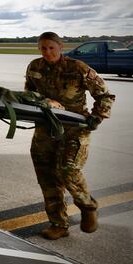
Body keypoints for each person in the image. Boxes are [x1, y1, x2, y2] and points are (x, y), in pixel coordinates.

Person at [25, 32, 115, 240]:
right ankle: (58, 224)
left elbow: (105, 95)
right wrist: (41, 100)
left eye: (51, 48)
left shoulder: (78, 68)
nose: (47, 52)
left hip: (75, 127)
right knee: (47, 176)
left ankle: (87, 205)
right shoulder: (35, 67)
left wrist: (97, 117)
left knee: (68, 170)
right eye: (43, 48)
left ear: (60, 47)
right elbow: (29, 93)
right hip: (46, 128)